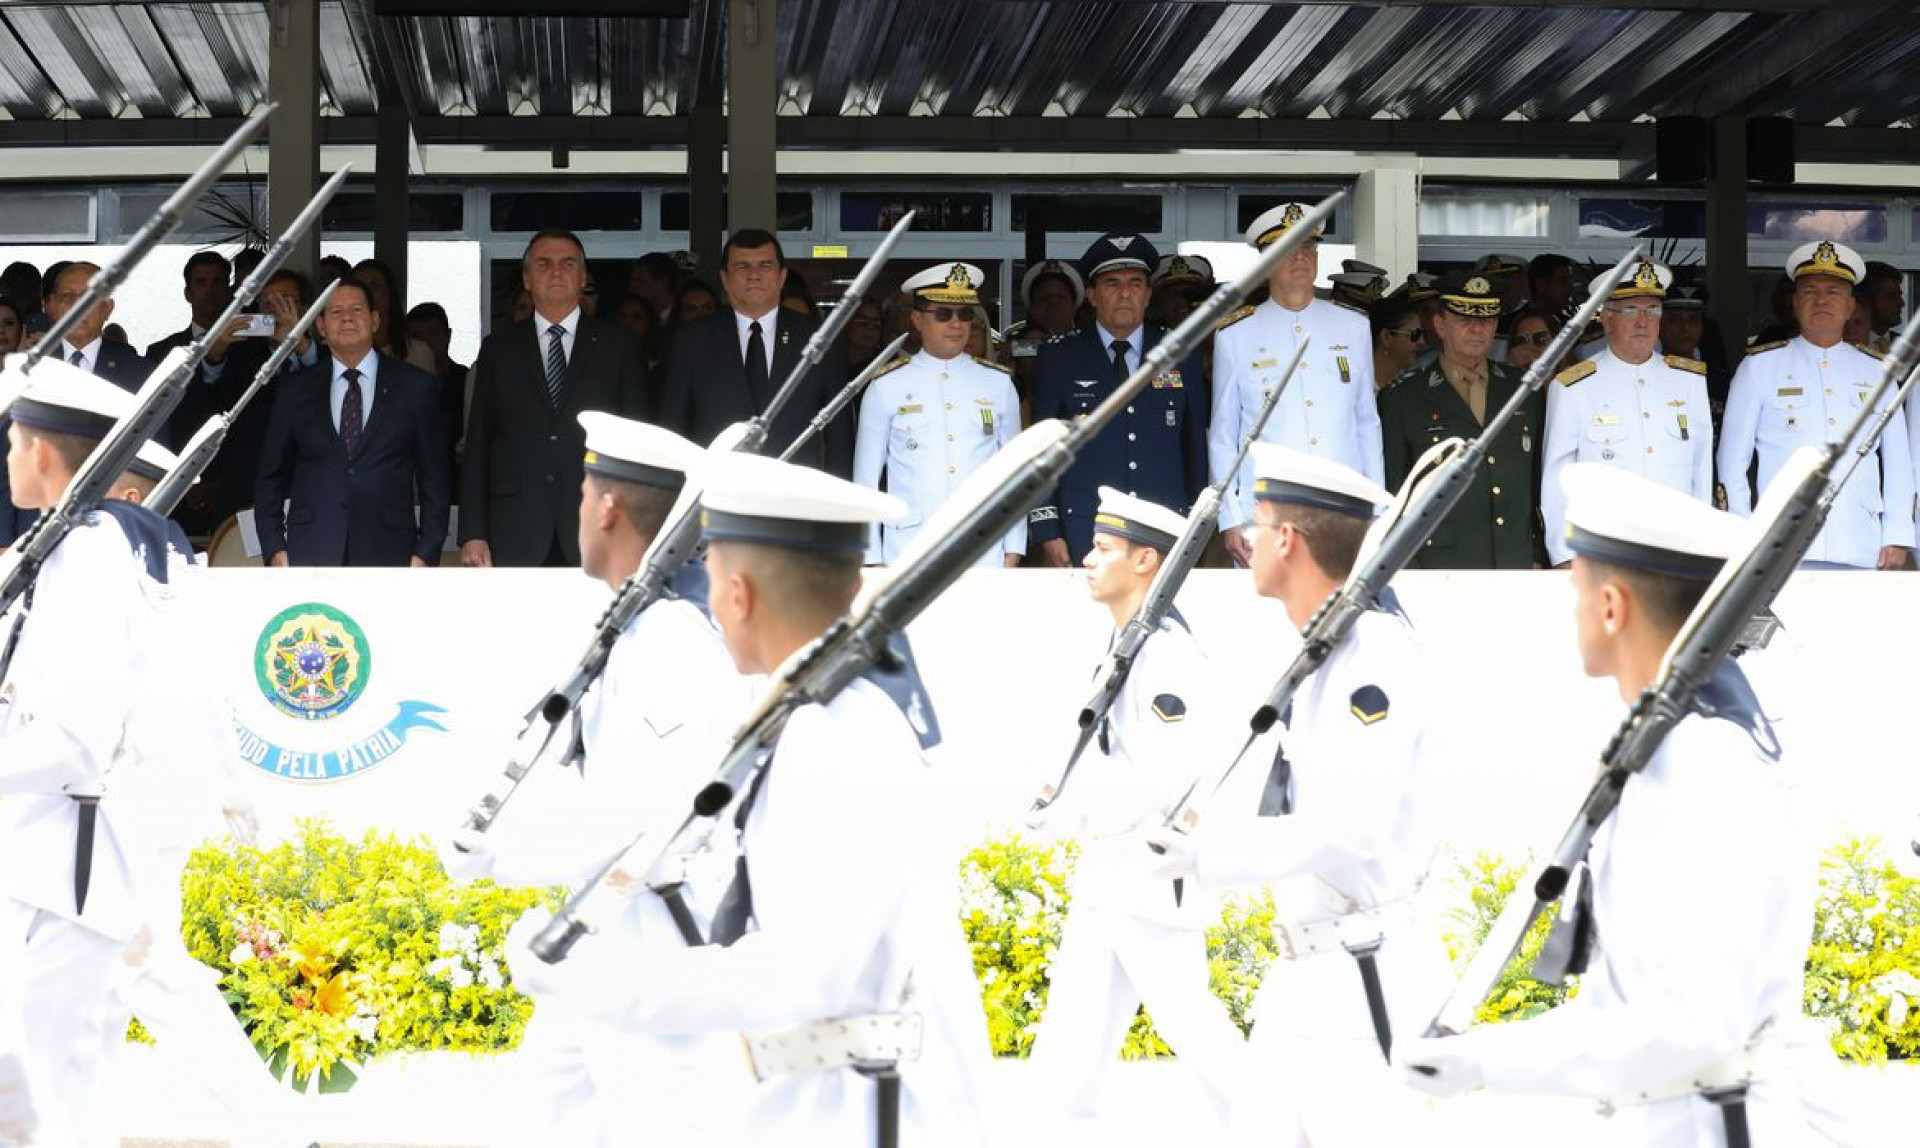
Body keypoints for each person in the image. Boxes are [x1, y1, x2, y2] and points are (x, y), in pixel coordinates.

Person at [505, 450, 991, 1146]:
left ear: (738, 594)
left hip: (865, 1115)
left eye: (708, 573)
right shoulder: (814, 716)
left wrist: (591, 980)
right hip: (830, 1104)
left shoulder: (833, 736)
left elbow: (800, 978)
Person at [1398, 464, 1827, 1148]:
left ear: (1610, 607)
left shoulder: (1702, 763)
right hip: (1675, 1115)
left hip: (1718, 1122)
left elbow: (1691, 1022)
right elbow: (1625, 996)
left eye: (1575, 590)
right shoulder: (1666, 745)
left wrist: (1487, 1061)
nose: (1571, 610)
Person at [442, 412, 749, 1146]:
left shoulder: (670, 639)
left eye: (585, 489)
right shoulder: (635, 627)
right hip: (609, 938)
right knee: (537, 1118)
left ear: (607, 507)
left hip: (653, 943)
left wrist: (502, 861)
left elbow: (640, 817)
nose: (580, 505)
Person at [1142, 445, 1451, 1148]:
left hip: (1362, 977)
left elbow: (1353, 829)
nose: (1246, 539)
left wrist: (1205, 853)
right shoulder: (1329, 647)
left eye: (1259, 520)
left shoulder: (1372, 654)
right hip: (1310, 974)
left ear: (1288, 539)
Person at [0, 362, 195, 1145]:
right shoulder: (70, 552)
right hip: (49, 863)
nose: (9, 455)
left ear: (45, 454)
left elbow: (76, 736)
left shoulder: (88, 559)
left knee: (50, 1090)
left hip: (70, 870)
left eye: (15, 441)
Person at [1026, 488, 1252, 1129]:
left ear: (1148, 561)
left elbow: (1162, 774)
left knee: (1200, 1038)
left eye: (1104, 549)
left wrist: (1070, 811)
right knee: (1069, 1056)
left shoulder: (1165, 652)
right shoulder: (1131, 640)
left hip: (1150, 874)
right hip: (1115, 873)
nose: (1089, 561)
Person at [1717, 241, 1915, 570]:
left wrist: (1896, 534)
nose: (1821, 300)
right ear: (1794, 303)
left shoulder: (1878, 371)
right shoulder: (1759, 367)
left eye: (1834, 292)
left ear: (1851, 306)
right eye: (1809, 291)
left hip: (1859, 539)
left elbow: (1897, 462)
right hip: (1778, 544)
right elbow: (1731, 462)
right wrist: (1741, 533)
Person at [460, 229, 648, 567]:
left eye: (567, 263)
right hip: (516, 527)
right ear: (527, 280)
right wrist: (473, 531)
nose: (556, 271)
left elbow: (638, 448)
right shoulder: (498, 349)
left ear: (583, 278)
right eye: (544, 264)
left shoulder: (619, 347)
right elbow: (479, 443)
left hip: (600, 528)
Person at [1211, 203, 1382, 568]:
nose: (1301, 256)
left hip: (1344, 509)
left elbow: (1367, 422)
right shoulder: (1235, 334)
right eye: (1289, 249)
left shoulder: (1353, 327)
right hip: (1267, 515)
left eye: (1309, 247)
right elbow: (1225, 436)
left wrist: (1377, 507)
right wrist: (1231, 517)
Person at [1029, 232, 1208, 566]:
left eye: (1135, 283)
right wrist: (1047, 530)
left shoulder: (1181, 352)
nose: (1125, 293)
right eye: (1112, 283)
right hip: (1084, 527)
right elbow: (1042, 451)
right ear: (1092, 295)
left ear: (1148, 294)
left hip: (1164, 525)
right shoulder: (1061, 357)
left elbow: (1194, 447)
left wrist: (1197, 526)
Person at [254, 275, 452, 567]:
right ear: (320, 326)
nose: (347, 317)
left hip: (391, 550)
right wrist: (273, 547)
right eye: (336, 312)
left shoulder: (415, 387)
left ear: (374, 321)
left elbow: (435, 479)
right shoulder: (295, 389)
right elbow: (270, 476)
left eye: (356, 310)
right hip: (310, 550)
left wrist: (426, 552)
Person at [1540, 260, 1714, 567]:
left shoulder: (1689, 381)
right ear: (1606, 319)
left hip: (1675, 548)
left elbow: (1700, 470)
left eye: (1652, 310)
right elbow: (1557, 479)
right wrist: (1564, 554)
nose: (1643, 321)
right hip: (1603, 551)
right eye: (1631, 310)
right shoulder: (1573, 387)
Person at [851, 263, 1024, 567]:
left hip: (983, 551)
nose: (956, 324)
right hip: (907, 550)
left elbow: (1015, 474)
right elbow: (865, 481)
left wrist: (1014, 547)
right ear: (917, 319)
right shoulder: (886, 386)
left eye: (965, 314)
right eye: (943, 314)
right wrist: (871, 559)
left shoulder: (998, 384)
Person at [1376, 272, 1541, 568]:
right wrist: (1408, 570)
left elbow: (1539, 484)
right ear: (1440, 325)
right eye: (1464, 320)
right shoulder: (1403, 398)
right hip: (1439, 567)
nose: (1477, 329)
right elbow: (1394, 495)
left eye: (1487, 320)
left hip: (1515, 562)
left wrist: (1540, 555)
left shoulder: (1524, 390)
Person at [657, 228, 852, 476]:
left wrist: (838, 506)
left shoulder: (819, 337)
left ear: (782, 276)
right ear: (724, 279)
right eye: (742, 267)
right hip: (715, 496)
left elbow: (840, 433)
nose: (754, 275)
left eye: (765, 265)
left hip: (797, 496)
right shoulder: (692, 340)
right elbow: (672, 429)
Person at [42, 261, 151, 392]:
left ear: (108, 308)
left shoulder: (140, 372)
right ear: (52, 306)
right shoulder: (31, 366)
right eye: (67, 296)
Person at [405, 301, 470, 476]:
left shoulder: (467, 380)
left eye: (432, 333)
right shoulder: (399, 386)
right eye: (416, 336)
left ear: (448, 335)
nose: (425, 342)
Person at [1006, 259, 1085, 401]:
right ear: (1032, 307)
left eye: (1061, 296)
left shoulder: (1089, 344)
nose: (1053, 302)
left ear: (1074, 306)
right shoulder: (1017, 345)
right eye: (1045, 296)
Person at [353, 257, 439, 374]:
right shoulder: (334, 350)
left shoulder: (418, 353)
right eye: (359, 287)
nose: (366, 293)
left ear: (390, 293)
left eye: (374, 286)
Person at [1369, 298, 1425, 391]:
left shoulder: (1416, 388)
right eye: (1415, 334)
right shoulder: (1354, 384)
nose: (1422, 342)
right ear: (1386, 337)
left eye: (1423, 334)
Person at [1856, 261, 1904, 355]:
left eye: (1900, 296)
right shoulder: (1844, 347)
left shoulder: (1910, 349)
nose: (1901, 303)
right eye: (1891, 296)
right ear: (1866, 300)